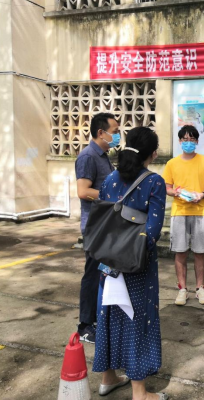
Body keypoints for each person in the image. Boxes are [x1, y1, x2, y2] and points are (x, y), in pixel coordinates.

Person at [92, 127, 168, 400]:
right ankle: (140, 393)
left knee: (109, 315)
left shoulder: (110, 179)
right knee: (138, 319)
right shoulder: (154, 182)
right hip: (137, 264)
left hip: (107, 261)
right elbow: (153, 231)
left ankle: (108, 378)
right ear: (153, 154)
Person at [75, 112, 119, 343]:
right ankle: (85, 325)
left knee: (104, 273)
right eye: (115, 131)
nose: (118, 135)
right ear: (101, 132)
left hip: (105, 225)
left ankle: (99, 319)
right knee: (92, 274)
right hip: (94, 227)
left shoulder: (103, 156)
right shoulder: (88, 156)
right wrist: (112, 197)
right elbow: (83, 191)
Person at [162, 125, 204, 306]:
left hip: (201, 211)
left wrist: (202, 194)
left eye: (192, 139)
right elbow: (167, 188)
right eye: (185, 139)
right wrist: (175, 192)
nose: (188, 142)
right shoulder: (172, 163)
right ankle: (182, 289)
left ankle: (200, 288)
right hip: (179, 211)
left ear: (197, 141)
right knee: (180, 251)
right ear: (179, 141)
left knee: (200, 252)